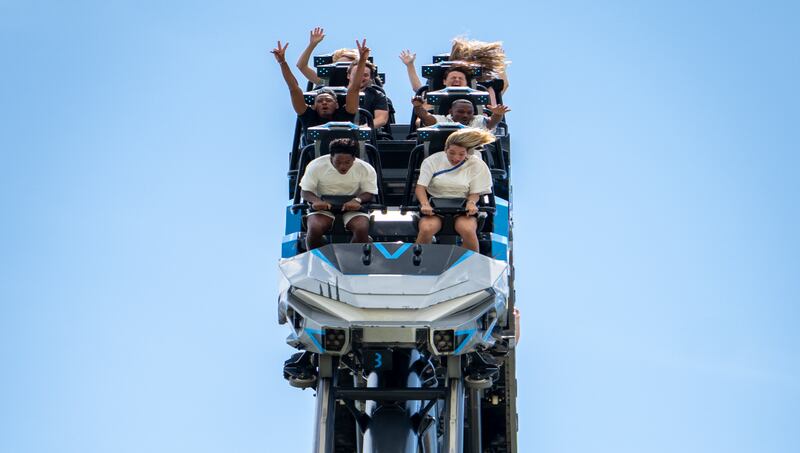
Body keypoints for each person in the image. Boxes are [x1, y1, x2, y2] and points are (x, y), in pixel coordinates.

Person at [414, 128, 495, 252]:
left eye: (461, 154)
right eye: (451, 153)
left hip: (463, 209)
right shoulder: (432, 161)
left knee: (467, 229)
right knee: (426, 228)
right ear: (445, 149)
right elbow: (420, 187)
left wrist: (471, 203)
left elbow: (475, 193)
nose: (456, 158)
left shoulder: (476, 164)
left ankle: (469, 262)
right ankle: (419, 260)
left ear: (467, 152)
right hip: (435, 208)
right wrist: (425, 204)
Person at [271, 39, 371, 131]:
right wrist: (282, 62)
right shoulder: (308, 116)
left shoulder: (345, 114)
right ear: (313, 106)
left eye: (328, 100)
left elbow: (354, 88)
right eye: (319, 101)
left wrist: (362, 60)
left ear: (337, 105)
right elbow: (293, 88)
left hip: (345, 145)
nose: (324, 103)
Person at [299, 138, 378, 250]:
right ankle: (318, 256)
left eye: (347, 162)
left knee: (361, 228)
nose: (343, 166)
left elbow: (369, 192)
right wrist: (316, 201)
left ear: (354, 159)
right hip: (324, 206)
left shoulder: (365, 168)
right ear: (331, 157)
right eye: (338, 162)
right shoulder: (316, 166)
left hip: (352, 207)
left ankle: (352, 255)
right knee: (314, 228)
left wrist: (357, 200)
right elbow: (305, 191)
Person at [412, 97, 510, 131]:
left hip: (472, 155)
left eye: (469, 113)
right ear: (451, 112)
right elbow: (426, 117)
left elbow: (492, 122)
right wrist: (418, 106)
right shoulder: (443, 120)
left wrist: (497, 115)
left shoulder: (478, 120)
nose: (465, 115)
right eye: (461, 112)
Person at [346, 59, 389, 129]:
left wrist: (362, 128)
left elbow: (381, 119)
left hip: (364, 132)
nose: (360, 77)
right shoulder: (338, 92)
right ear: (348, 75)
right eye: (357, 74)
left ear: (370, 78)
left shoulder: (377, 95)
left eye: (365, 75)